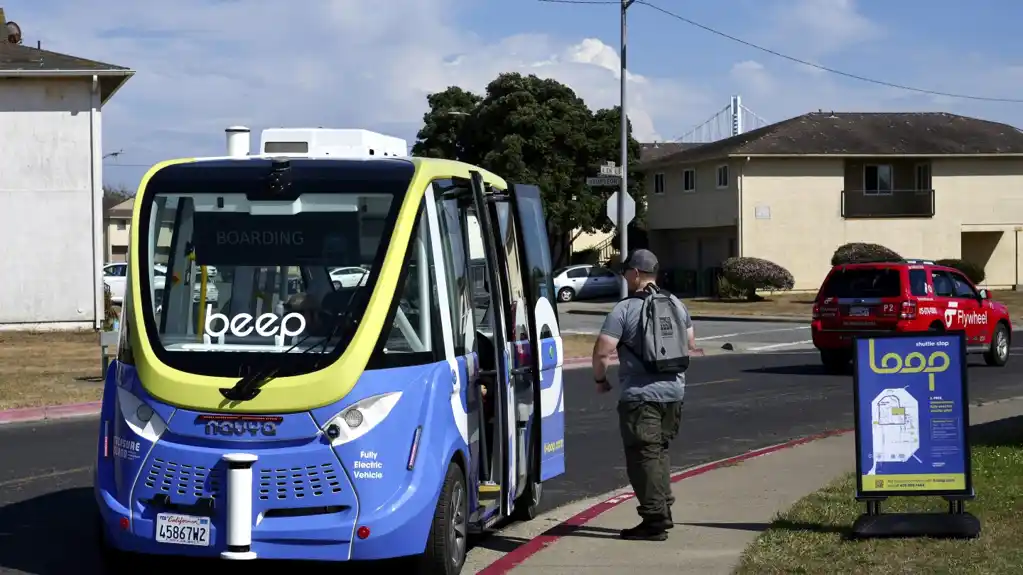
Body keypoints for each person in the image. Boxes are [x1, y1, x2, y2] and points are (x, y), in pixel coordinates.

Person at [591, 249, 697, 541]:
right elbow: (689, 343)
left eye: (627, 271)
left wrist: (600, 378)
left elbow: (603, 350)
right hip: (674, 392)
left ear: (635, 273)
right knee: (659, 453)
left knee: (642, 458)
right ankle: (663, 510)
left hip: (641, 395)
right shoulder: (676, 303)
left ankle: (654, 519)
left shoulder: (624, 310)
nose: (625, 276)